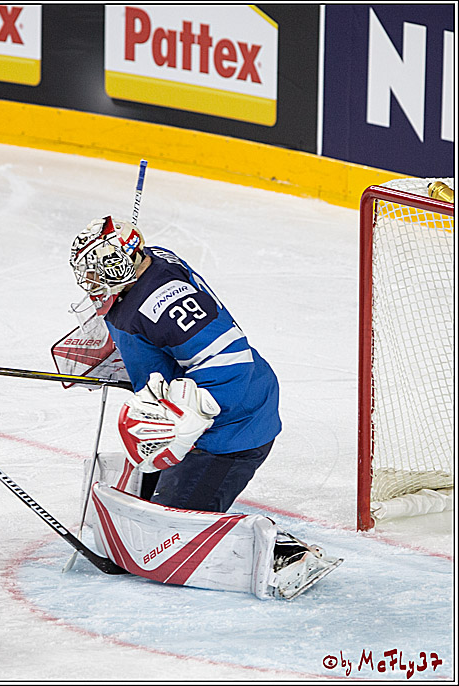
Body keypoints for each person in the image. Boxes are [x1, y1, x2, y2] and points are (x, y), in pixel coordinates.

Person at [68, 215, 340, 599]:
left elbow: (231, 364)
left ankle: (285, 552)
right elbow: (154, 338)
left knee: (166, 540)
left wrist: (184, 416)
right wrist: (128, 360)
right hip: (199, 416)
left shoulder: (164, 301)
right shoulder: (142, 272)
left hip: (232, 425)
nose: (89, 284)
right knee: (143, 518)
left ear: (119, 265)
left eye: (96, 273)